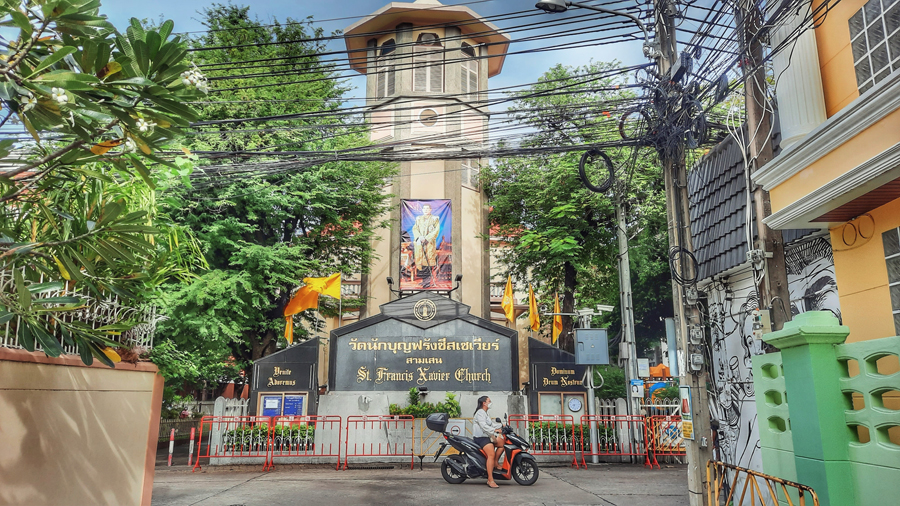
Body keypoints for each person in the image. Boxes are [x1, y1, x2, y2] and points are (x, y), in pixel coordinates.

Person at [473, 395, 502, 488]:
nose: (490, 403)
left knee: (502, 444)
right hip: (481, 438)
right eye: (489, 401)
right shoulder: (480, 413)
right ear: (484, 403)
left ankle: (496, 463)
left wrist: (502, 425)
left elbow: (491, 424)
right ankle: (490, 480)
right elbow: (484, 426)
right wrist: (495, 431)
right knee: (491, 454)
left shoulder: (485, 413)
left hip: (487, 436)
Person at [411, 203, 440, 286]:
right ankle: (424, 281)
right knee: (421, 262)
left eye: (428, 208)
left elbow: (436, 230)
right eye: (424, 209)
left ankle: (428, 282)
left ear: (430, 210)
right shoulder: (418, 219)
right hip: (420, 243)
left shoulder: (435, 219)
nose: (426, 210)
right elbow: (415, 229)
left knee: (428, 261)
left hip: (429, 243)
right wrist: (419, 237)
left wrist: (426, 238)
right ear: (422, 210)